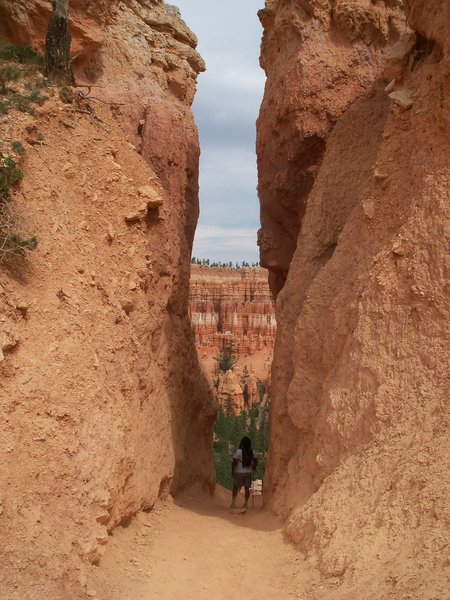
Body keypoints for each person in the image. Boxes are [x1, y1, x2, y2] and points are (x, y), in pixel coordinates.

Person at [230, 436, 258, 509]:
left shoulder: (239, 451)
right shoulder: (252, 451)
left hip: (239, 472)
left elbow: (234, 462)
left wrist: (232, 471)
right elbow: (256, 461)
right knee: (247, 488)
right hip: (248, 472)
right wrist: (254, 467)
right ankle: (245, 504)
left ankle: (233, 503)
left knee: (235, 487)